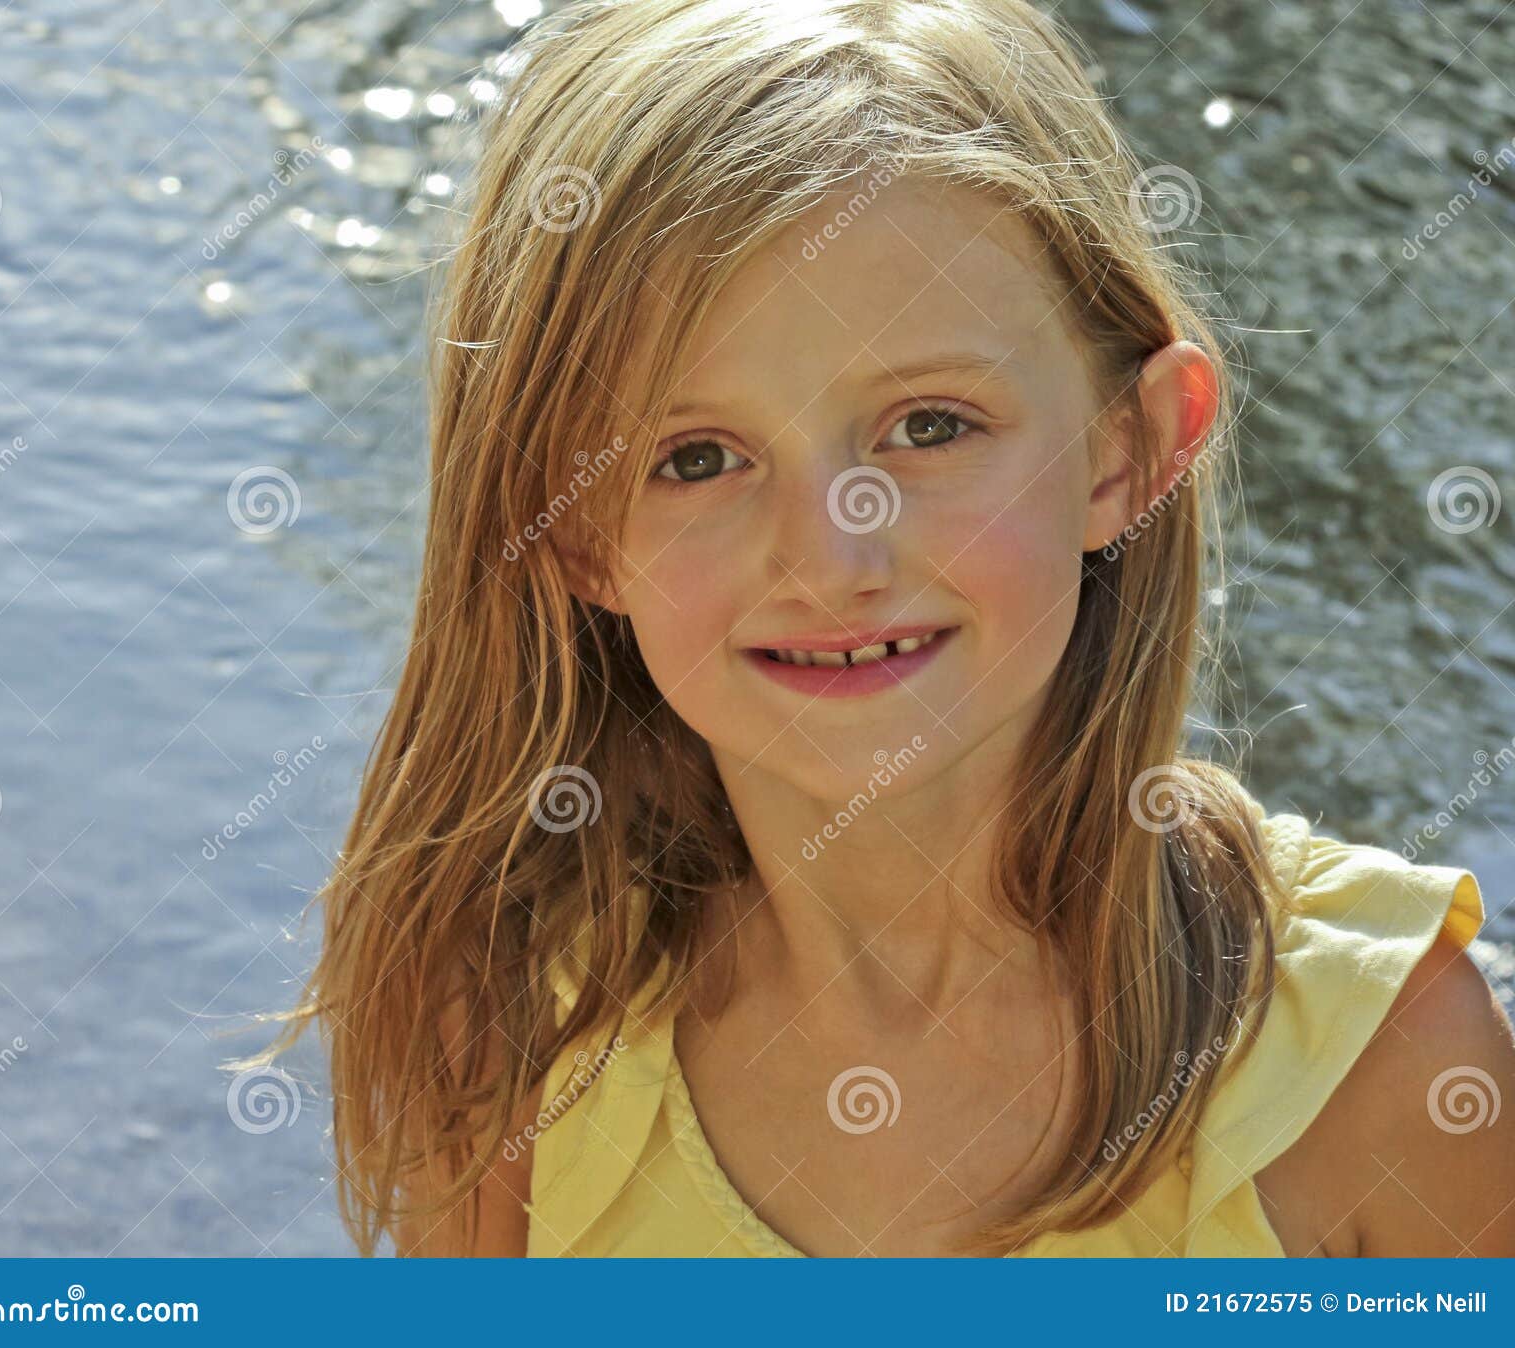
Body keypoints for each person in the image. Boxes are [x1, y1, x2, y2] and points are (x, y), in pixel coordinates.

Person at [243, 0, 1515, 1257]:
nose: (831, 559)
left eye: (929, 427)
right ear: (573, 530)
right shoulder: (513, 1032)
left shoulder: (1384, 1065)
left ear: (1125, 449)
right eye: (697, 457)